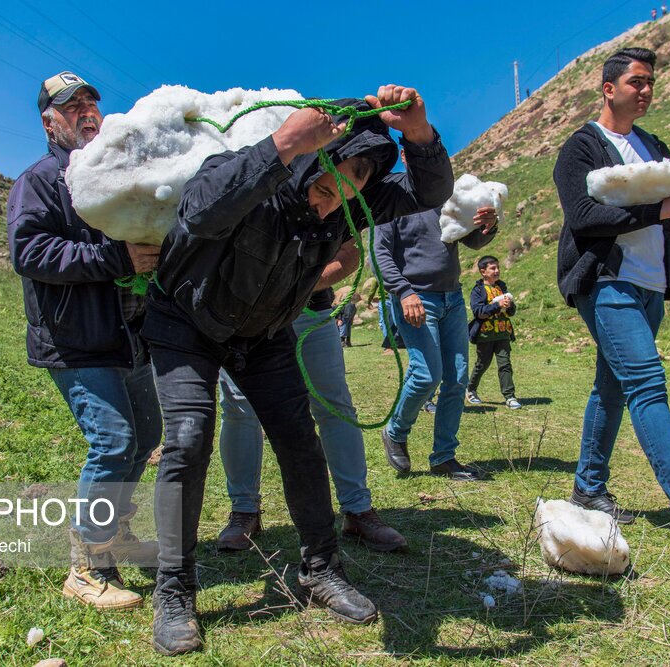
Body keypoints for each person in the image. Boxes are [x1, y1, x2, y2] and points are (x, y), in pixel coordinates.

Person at [142, 85, 453, 655]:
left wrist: (418, 134)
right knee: (188, 440)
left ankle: (320, 568)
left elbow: (428, 192)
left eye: (362, 178)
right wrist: (286, 141)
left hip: (262, 336)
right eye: (342, 171)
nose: (346, 190)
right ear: (314, 152)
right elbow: (201, 211)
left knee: (299, 443)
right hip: (185, 322)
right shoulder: (248, 170)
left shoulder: (350, 203)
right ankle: (176, 587)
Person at [553, 47, 670, 550]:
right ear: (608, 88)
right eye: (636, 81)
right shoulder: (581, 148)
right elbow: (583, 218)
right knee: (646, 382)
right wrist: (656, 212)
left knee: (611, 387)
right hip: (606, 282)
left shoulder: (654, 144)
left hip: (653, 286)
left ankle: (588, 488)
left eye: (651, 82)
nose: (646, 90)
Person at [7, 70, 163, 611]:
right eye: (72, 107)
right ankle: (83, 567)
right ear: (50, 123)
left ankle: (113, 533)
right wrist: (114, 259)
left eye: (91, 102)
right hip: (76, 341)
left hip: (128, 336)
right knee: (114, 441)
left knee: (146, 437)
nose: (87, 112)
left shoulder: (116, 174)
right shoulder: (42, 180)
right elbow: (29, 252)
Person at [215, 287, 407, 554]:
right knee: (238, 408)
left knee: (335, 406)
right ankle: (244, 511)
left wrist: (297, 277)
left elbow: (347, 253)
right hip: (243, 311)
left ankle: (357, 509)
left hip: (309, 307)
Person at [374, 164, 498, 481]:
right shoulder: (390, 196)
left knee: (456, 379)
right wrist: (403, 293)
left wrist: (487, 226)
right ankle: (395, 430)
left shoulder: (443, 193)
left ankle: (444, 457)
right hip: (415, 298)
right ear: (405, 152)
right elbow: (380, 252)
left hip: (451, 298)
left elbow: (469, 240)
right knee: (426, 373)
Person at [466, 255, 520, 409]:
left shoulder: (501, 287)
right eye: (493, 268)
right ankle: (471, 389)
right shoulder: (478, 290)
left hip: (503, 333)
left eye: (498, 267)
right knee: (482, 364)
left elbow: (511, 312)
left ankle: (509, 397)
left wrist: (509, 306)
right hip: (485, 335)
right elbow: (478, 312)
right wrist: (496, 305)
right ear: (483, 271)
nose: (497, 271)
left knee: (505, 364)